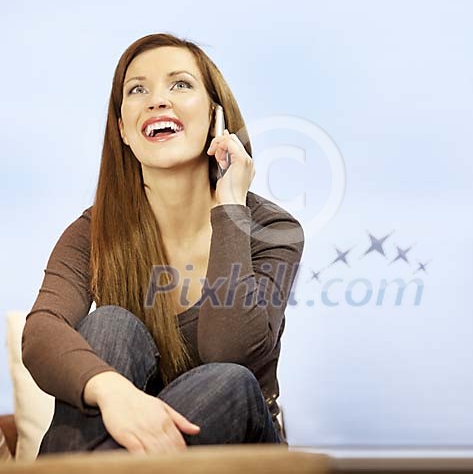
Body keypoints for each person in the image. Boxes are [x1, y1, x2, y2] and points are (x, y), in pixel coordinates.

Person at [21, 32, 304, 456]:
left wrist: (230, 207)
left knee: (229, 380)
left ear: (215, 117)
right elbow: (42, 332)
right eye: (138, 90)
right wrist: (113, 391)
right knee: (109, 325)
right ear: (123, 130)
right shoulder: (93, 230)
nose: (157, 100)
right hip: (127, 434)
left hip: (238, 443)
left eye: (180, 84)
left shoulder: (274, 230)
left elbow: (230, 351)